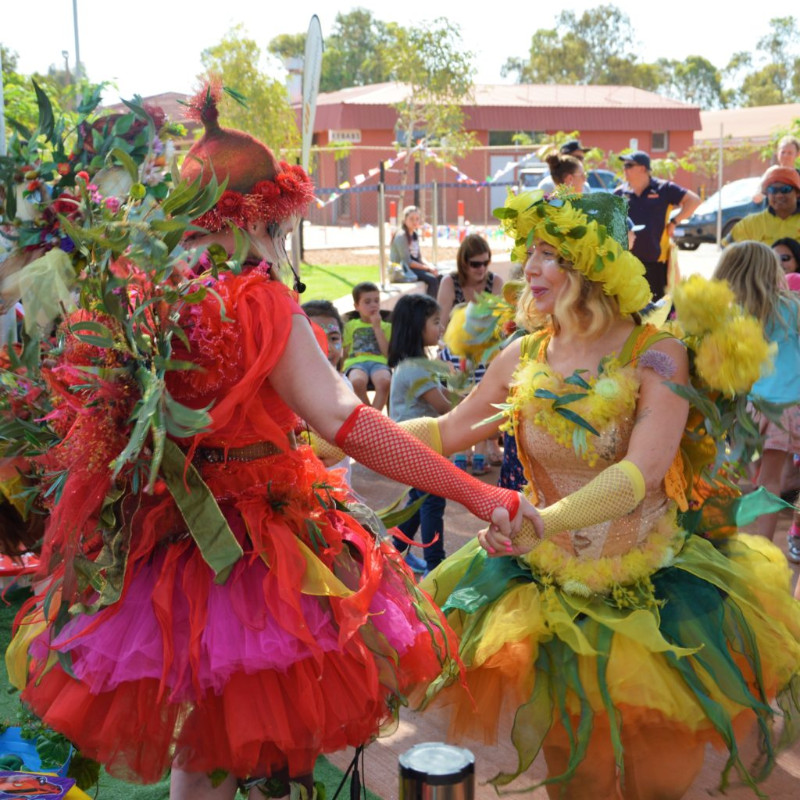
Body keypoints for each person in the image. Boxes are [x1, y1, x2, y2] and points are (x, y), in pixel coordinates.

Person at [3, 83, 540, 800]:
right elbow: (344, 418)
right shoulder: (259, 300)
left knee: (208, 755)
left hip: (166, 553)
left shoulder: (143, 300)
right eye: (281, 223)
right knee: (251, 751)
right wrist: (475, 490)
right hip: (261, 557)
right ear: (258, 217)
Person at [414, 190, 800, 798]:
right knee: (578, 780)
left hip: (657, 603)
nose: (529, 269)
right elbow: (447, 430)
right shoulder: (525, 352)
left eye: (549, 255)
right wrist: (339, 431)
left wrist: (544, 517)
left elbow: (644, 471)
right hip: (546, 598)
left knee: (657, 780)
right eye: (529, 254)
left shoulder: (658, 354)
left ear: (593, 268)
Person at [713, 242, 800, 544]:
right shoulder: (793, 307)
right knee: (770, 481)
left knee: (730, 474)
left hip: (747, 407)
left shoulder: (731, 315)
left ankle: (722, 536)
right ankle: (763, 547)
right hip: (786, 408)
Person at [387, 293, 452, 574]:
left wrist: (473, 396)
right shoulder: (415, 369)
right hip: (416, 446)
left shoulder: (416, 364)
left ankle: (393, 551)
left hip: (413, 445)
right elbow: (443, 405)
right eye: (436, 322)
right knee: (432, 500)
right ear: (417, 326)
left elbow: (444, 395)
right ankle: (434, 563)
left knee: (420, 501)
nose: (441, 328)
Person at [438, 234, 504, 473]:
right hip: (457, 351)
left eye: (486, 263)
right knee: (460, 399)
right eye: (476, 264)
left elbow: (500, 325)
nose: (482, 268)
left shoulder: (495, 282)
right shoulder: (450, 283)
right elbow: (441, 325)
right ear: (463, 262)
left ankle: (484, 449)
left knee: (486, 397)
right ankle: (461, 451)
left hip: (486, 352)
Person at [614, 150, 701, 299]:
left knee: (658, 314)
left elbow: (694, 200)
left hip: (656, 265)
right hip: (627, 265)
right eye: (624, 166)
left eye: (629, 165)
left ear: (642, 168)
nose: (624, 169)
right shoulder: (620, 193)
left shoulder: (664, 189)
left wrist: (674, 222)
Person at [342, 281, 392, 411]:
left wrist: (377, 327)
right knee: (357, 382)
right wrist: (340, 368)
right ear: (357, 306)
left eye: (376, 301)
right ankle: (372, 416)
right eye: (367, 302)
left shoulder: (386, 326)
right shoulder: (350, 325)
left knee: (384, 382)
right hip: (355, 363)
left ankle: (375, 419)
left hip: (379, 362)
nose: (373, 305)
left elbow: (387, 353)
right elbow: (346, 351)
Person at [726, 165, 800, 245]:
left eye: (785, 189)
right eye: (773, 190)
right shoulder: (749, 224)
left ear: (797, 192)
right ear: (767, 194)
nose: (779, 195)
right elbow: (727, 248)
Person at [389, 205, 440, 297]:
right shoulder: (401, 236)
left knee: (439, 276)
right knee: (432, 280)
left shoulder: (415, 234)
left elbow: (418, 257)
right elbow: (407, 262)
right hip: (404, 270)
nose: (415, 222)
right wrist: (427, 268)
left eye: (417, 219)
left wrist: (430, 266)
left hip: (414, 267)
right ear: (404, 220)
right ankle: (430, 308)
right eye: (411, 219)